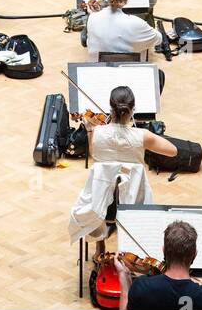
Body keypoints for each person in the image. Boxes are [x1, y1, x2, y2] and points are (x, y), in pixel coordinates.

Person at [69, 85, 176, 253]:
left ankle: (100, 244)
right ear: (132, 110)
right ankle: (130, 247)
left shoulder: (97, 132)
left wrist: (90, 129)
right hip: (132, 203)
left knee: (103, 179)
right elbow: (173, 151)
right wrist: (146, 138)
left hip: (101, 205)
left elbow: (94, 155)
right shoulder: (143, 136)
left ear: (111, 109)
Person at [115, 219, 202, 310]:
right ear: (194, 255)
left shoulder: (142, 287)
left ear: (163, 250)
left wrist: (123, 276)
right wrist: (197, 282)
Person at [85, 0, 160, 61]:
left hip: (97, 71)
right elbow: (158, 39)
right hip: (130, 72)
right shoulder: (137, 23)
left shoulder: (92, 18)